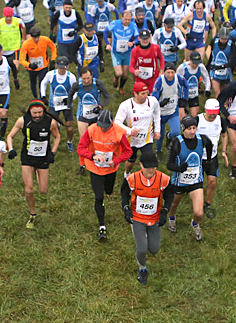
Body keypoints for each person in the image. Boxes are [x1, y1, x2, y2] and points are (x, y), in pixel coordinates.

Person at [121, 148, 174, 285]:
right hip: (137, 218)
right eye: (148, 167)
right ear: (141, 165)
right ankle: (142, 268)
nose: (151, 170)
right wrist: (126, 208)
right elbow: (124, 193)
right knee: (142, 248)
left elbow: (169, 194)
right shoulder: (132, 179)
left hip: (155, 218)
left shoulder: (163, 179)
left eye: (153, 167)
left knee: (154, 249)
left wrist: (165, 211)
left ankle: (147, 245)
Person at [79, 109, 133, 241]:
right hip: (95, 168)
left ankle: (104, 191)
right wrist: (93, 156)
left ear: (112, 123)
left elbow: (128, 152)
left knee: (108, 191)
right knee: (99, 197)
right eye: (101, 126)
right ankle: (102, 226)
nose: (102, 129)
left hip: (110, 169)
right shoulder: (92, 129)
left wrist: (115, 161)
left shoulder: (119, 133)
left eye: (106, 127)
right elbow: (80, 148)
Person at [6, 99, 60, 228]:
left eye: (39, 112)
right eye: (34, 113)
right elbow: (9, 136)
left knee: (43, 190)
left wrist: (53, 152)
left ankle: (37, 172)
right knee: (29, 190)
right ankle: (32, 214)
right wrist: (11, 149)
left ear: (43, 111)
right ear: (30, 111)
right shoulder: (22, 121)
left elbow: (57, 137)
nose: (37, 115)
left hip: (43, 158)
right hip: (28, 158)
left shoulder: (50, 122)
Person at [166, 115, 214, 240]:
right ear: (183, 129)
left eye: (194, 128)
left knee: (199, 212)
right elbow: (169, 165)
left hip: (195, 182)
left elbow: (210, 146)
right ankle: (171, 218)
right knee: (174, 204)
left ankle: (195, 223)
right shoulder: (177, 142)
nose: (192, 131)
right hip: (179, 182)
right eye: (189, 129)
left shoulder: (201, 139)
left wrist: (207, 161)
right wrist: (179, 168)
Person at [115, 81, 162, 170]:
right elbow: (117, 122)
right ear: (135, 94)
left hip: (147, 139)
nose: (146, 96)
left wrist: (157, 130)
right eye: (142, 94)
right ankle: (127, 174)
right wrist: (129, 131)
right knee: (131, 161)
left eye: (146, 92)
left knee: (148, 162)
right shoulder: (126, 105)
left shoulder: (152, 101)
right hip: (131, 140)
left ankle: (146, 180)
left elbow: (157, 115)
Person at [0, 7, 24, 89]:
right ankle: (6, 83)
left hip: (15, 48)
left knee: (15, 68)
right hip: (3, 50)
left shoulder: (18, 21)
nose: (8, 18)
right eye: (7, 17)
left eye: (10, 16)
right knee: (5, 69)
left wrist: (23, 38)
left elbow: (23, 28)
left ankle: (15, 79)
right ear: (3, 15)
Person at [153, 62, 182, 154]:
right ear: (164, 72)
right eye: (168, 72)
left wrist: (183, 100)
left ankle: (169, 136)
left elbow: (185, 85)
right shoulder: (159, 81)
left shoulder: (178, 78)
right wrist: (160, 103)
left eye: (172, 72)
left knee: (176, 132)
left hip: (172, 111)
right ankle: (158, 151)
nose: (170, 75)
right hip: (160, 113)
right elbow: (154, 98)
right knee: (159, 136)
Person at [19, 25, 56, 98]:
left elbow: (53, 48)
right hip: (32, 68)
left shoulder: (45, 40)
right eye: (34, 38)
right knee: (33, 83)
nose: (36, 39)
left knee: (42, 82)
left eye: (37, 37)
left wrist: (53, 60)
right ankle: (35, 97)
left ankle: (42, 97)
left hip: (43, 66)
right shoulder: (26, 44)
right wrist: (29, 65)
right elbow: (21, 59)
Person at [108, 10, 138, 94]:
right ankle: (116, 77)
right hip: (116, 52)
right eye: (125, 19)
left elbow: (137, 37)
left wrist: (133, 43)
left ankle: (121, 87)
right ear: (122, 18)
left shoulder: (133, 25)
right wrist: (107, 44)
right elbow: (106, 31)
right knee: (119, 73)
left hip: (127, 53)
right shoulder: (115, 23)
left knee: (125, 74)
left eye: (129, 19)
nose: (127, 21)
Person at [129, 27, 164, 94]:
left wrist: (161, 70)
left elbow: (161, 58)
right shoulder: (135, 50)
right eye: (143, 39)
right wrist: (134, 71)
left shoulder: (155, 48)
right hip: (140, 77)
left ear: (150, 38)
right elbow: (131, 66)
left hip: (153, 77)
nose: (145, 41)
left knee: (152, 97)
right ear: (139, 38)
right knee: (140, 97)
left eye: (147, 39)